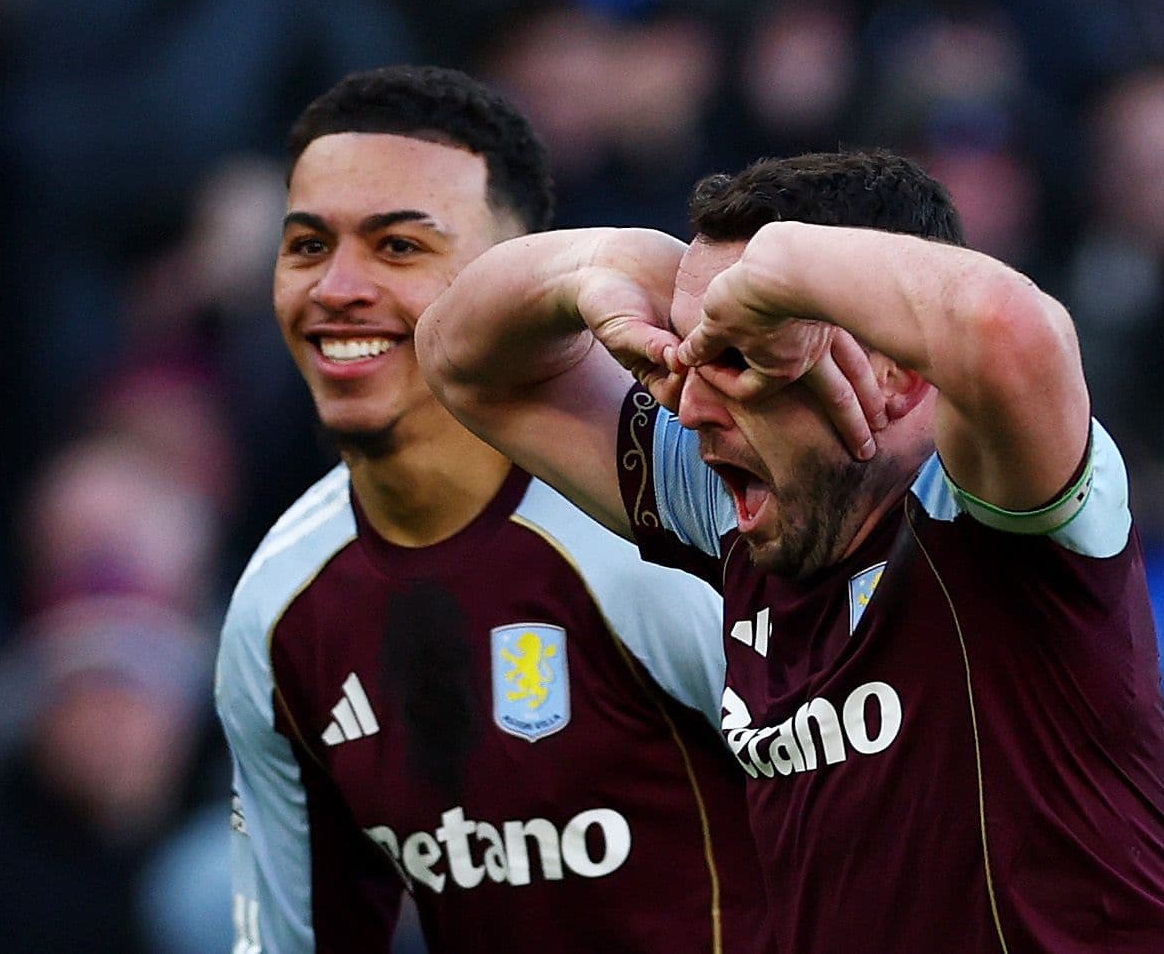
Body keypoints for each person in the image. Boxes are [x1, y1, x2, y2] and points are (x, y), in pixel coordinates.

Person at [419, 148, 1164, 951]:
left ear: (897, 377)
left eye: (739, 356)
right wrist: (597, 264)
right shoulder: (738, 511)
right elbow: (462, 359)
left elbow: (1009, 326)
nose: (691, 405)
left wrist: (786, 266)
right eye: (680, 351)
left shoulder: (989, 503)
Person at [214, 65, 774, 954]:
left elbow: (881, 855)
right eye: (308, 245)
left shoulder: (668, 530)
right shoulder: (277, 608)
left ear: (509, 280)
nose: (336, 287)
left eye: (399, 247)